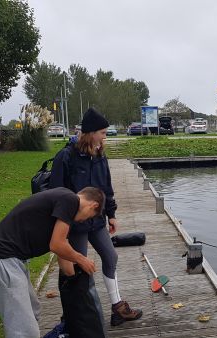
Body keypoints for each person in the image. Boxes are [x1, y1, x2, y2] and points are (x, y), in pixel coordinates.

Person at [50, 107, 143, 327]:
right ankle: (74, 312)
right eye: (102, 132)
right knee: (76, 267)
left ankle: (117, 308)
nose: (105, 136)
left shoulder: (100, 155)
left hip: (97, 220)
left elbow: (106, 188)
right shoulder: (66, 156)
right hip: (75, 223)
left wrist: (111, 214)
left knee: (111, 257)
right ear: (90, 133)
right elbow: (56, 193)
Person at [0, 187, 105, 337]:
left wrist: (76, 283)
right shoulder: (70, 200)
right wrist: (82, 259)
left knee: (33, 309)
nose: (85, 221)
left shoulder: (64, 202)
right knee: (24, 330)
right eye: (90, 217)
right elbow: (56, 245)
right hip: (1, 260)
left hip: (12, 261)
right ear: (94, 205)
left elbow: (62, 250)